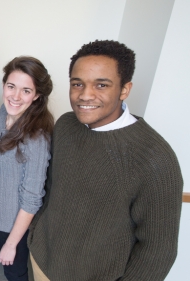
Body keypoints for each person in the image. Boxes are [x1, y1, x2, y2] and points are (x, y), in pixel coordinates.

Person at [28, 40, 183, 281]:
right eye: (77, 84)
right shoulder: (66, 125)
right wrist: (36, 232)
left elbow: (158, 251)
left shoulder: (154, 158)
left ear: (124, 89)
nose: (85, 95)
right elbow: (50, 189)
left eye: (101, 85)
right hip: (41, 263)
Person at [0, 56, 53, 281]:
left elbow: (32, 199)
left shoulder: (37, 139)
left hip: (19, 221)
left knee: (15, 271)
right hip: (4, 212)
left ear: (36, 96)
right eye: (11, 86)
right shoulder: (5, 111)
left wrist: (11, 244)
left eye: (26, 90)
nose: (15, 96)